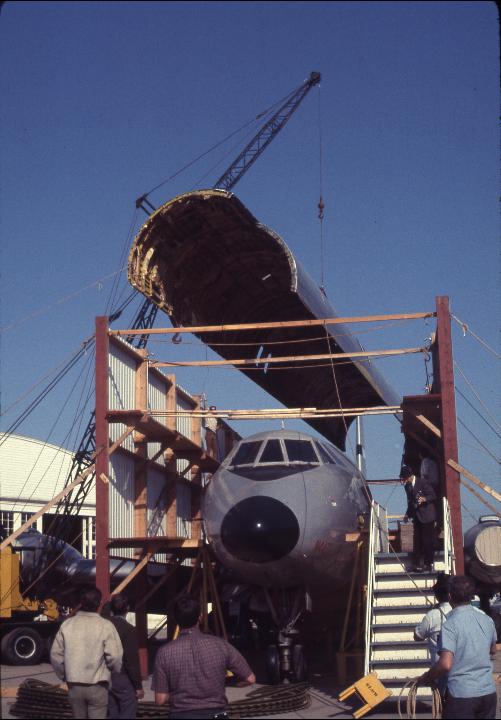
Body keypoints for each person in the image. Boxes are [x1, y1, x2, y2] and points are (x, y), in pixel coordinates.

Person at [152, 593, 256, 719]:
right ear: (200, 617)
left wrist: (178, 692)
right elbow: (250, 679)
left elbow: (160, 699)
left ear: (175, 619)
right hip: (216, 714)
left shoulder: (164, 653)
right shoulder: (221, 645)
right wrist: (224, 683)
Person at [420, 575, 497, 719]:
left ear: (449, 596)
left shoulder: (450, 625)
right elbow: (493, 650)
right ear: (472, 595)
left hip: (462, 696)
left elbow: (445, 664)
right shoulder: (487, 619)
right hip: (488, 693)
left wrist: (427, 677)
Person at [50, 585, 123, 719]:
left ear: (80, 603)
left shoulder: (67, 625)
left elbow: (55, 655)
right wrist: (113, 671)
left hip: (74, 684)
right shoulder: (106, 625)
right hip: (98, 684)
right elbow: (115, 656)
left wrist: (64, 675)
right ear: (100, 603)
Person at [108, 593, 144, 719]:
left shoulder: (103, 627)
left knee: (112, 712)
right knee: (128, 709)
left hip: (104, 676)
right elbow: (131, 661)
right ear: (128, 608)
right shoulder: (129, 629)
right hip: (121, 676)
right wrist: (138, 686)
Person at [414, 573, 452, 695]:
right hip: (462, 671)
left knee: (442, 701)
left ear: (437, 595)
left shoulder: (432, 615)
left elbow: (417, 636)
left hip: (440, 669)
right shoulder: (467, 613)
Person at [401, 464, 437, 572]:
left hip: (427, 516)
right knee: (416, 541)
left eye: (404, 478)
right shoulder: (407, 487)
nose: (403, 481)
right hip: (417, 517)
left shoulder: (423, 482)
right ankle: (416, 564)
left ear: (410, 476)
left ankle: (428, 564)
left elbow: (433, 495)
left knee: (427, 541)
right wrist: (407, 514)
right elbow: (410, 503)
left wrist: (424, 499)